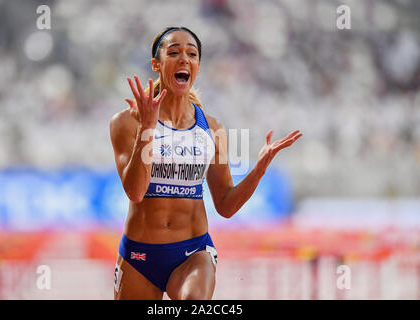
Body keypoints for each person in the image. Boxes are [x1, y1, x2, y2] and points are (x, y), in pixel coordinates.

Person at [109, 26, 302, 300]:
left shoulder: (212, 128)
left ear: (197, 67)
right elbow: (136, 192)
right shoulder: (126, 122)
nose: (184, 59)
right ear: (156, 64)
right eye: (174, 52)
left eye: (192, 54)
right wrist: (147, 129)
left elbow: (225, 204)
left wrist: (258, 170)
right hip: (139, 256)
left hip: (192, 254)